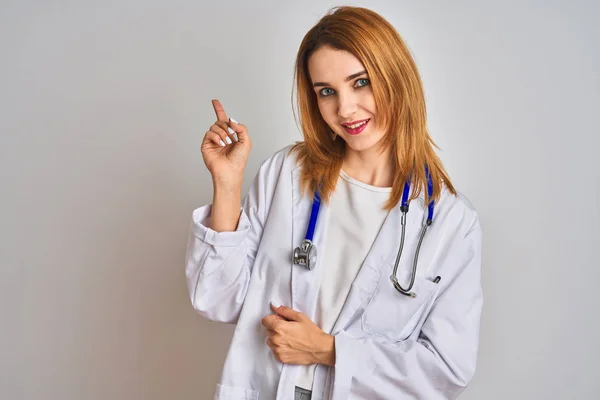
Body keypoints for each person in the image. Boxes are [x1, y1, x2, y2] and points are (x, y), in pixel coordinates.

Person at [186, 5, 483, 400]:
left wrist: (328, 351)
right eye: (327, 91)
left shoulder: (450, 222)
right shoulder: (287, 174)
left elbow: (447, 370)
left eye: (360, 82)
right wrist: (227, 184)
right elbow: (219, 301)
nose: (345, 109)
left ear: (396, 78)